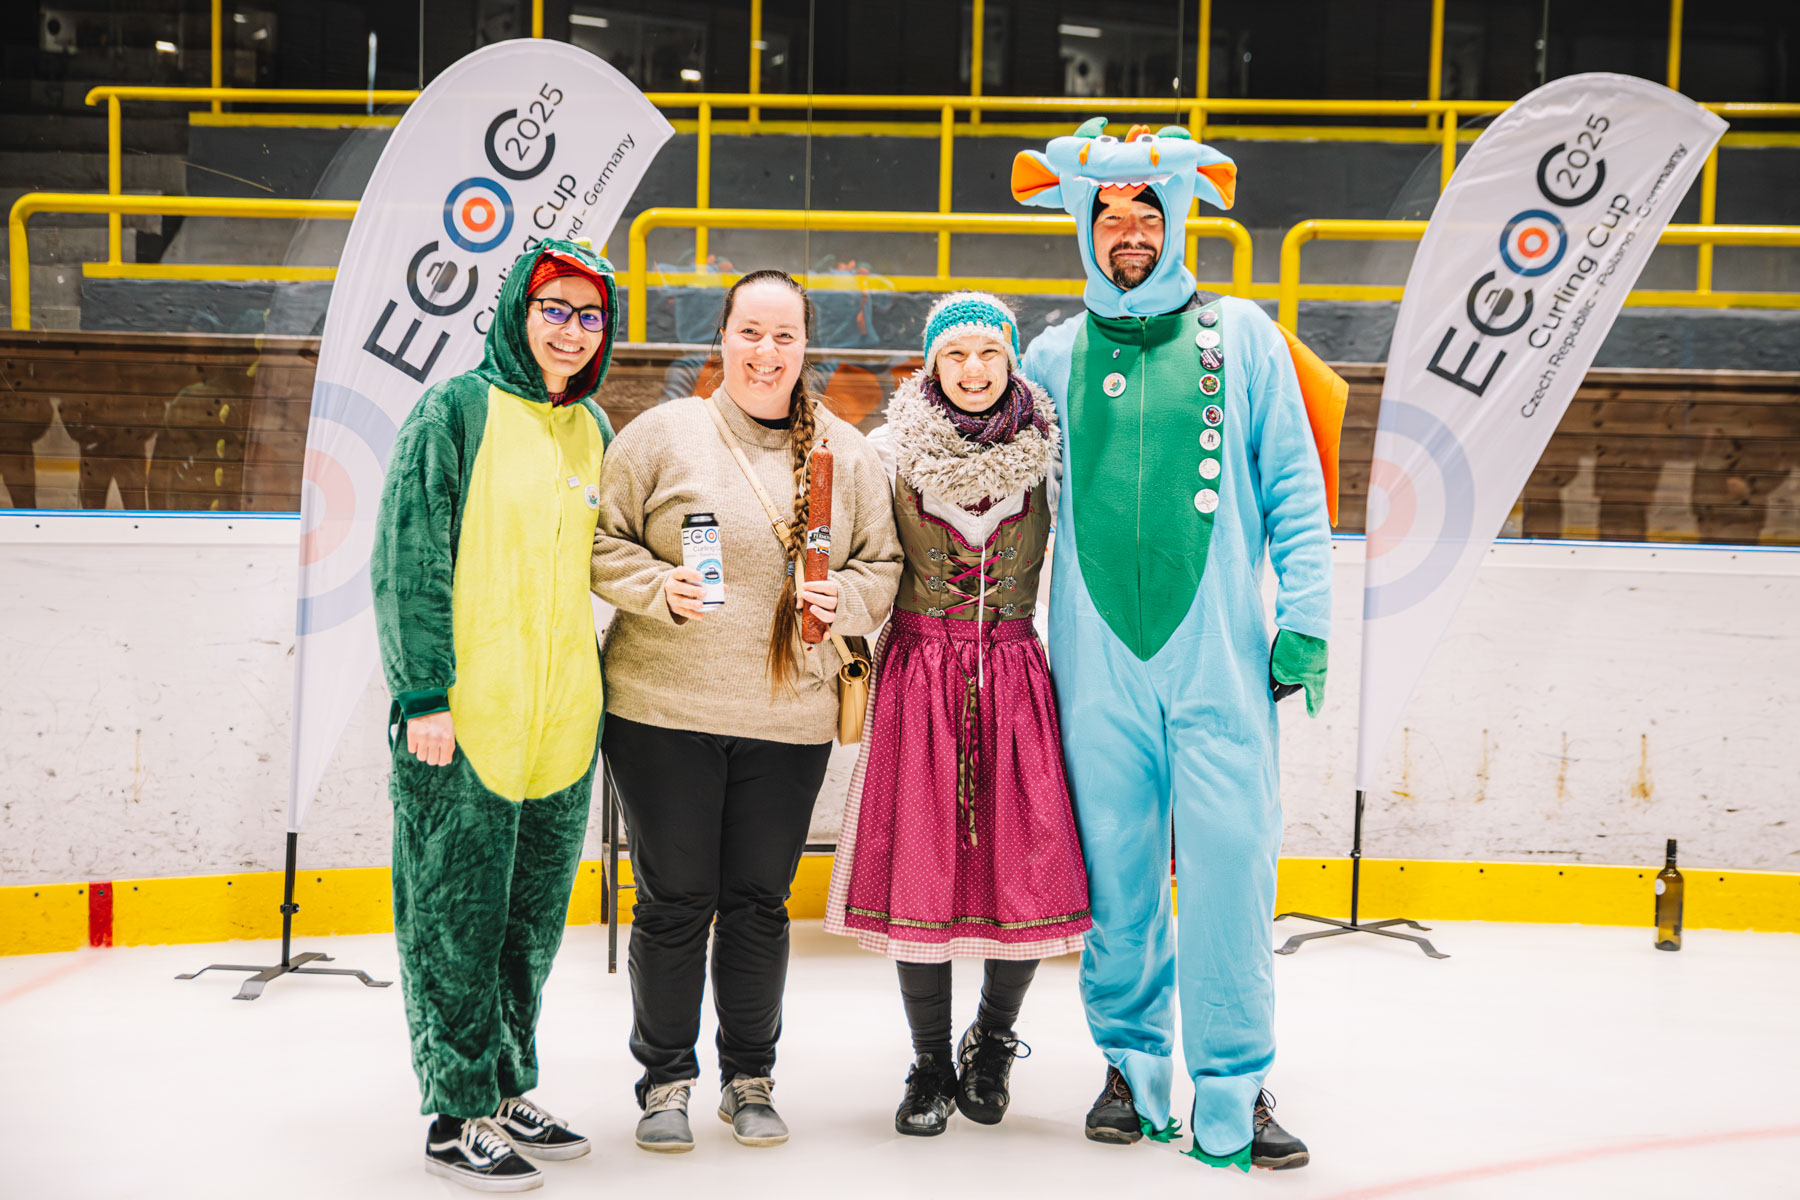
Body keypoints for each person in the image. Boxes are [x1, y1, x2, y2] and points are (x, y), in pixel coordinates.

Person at [1011, 121, 1341, 1171]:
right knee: (1117, 880)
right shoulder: (1049, 356)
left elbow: (1294, 484)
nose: (1129, 233)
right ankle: (1131, 1065)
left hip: (1220, 661)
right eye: (1109, 215)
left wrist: (1307, 616)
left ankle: (1236, 1084)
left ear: (1178, 220)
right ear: (1083, 225)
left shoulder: (1245, 336)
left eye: (1146, 215)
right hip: (1094, 665)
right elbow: (1000, 498)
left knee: (1232, 870)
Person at [589, 269, 903, 1154]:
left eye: (784, 336)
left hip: (788, 720)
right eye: (751, 333)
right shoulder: (662, 435)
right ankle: (665, 1081)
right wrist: (657, 587)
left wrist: (843, 597)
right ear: (722, 339)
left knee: (759, 903)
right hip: (663, 713)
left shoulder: (846, 453)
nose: (767, 352)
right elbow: (599, 544)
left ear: (807, 347)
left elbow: (882, 567)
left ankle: (749, 1079)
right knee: (675, 902)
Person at [372, 237, 620, 1191]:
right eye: (554, 309)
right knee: (454, 920)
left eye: (590, 316)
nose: (571, 330)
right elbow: (408, 558)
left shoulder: (592, 426)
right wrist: (422, 695)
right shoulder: (455, 411)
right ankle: (454, 1110)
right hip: (465, 718)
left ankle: (508, 1083)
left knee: (529, 926)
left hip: (559, 724)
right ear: (518, 310)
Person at [823, 291, 1090, 1138]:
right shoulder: (888, 449)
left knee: (1026, 864)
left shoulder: (1048, 452)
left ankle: (994, 1040)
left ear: (1011, 360)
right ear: (931, 364)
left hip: (1013, 669)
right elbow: (852, 552)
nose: (973, 370)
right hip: (919, 672)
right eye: (955, 355)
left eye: (988, 353)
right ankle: (931, 1059)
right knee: (921, 866)